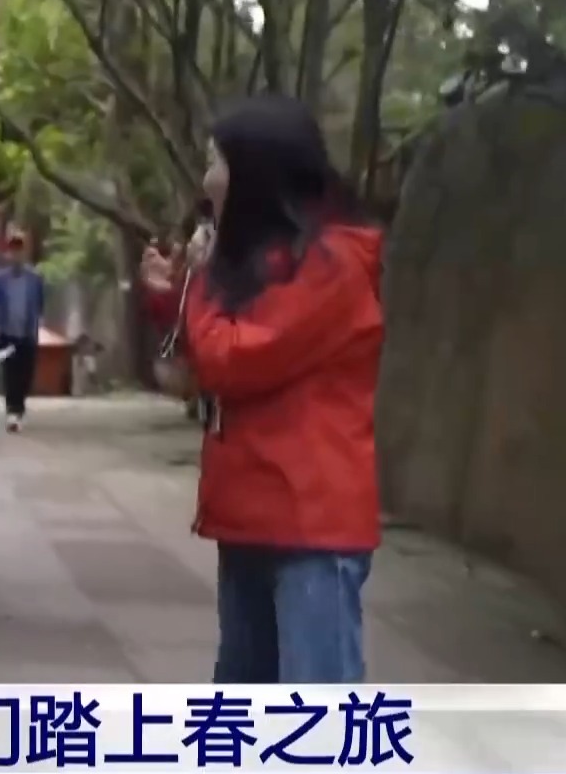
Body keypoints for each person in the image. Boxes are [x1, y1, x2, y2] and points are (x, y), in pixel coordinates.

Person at [138, 95, 384, 684]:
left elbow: (232, 358)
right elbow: (213, 345)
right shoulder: (267, 258)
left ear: (255, 172)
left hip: (309, 518)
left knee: (313, 703)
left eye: (215, 163)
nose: (206, 180)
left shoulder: (332, 264)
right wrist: (172, 296)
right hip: (251, 507)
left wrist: (200, 282)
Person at [0, 233, 45, 432]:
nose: (16, 254)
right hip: (6, 332)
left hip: (27, 333)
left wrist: (37, 324)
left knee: (26, 374)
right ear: (8, 253)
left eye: (19, 250)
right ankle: (12, 411)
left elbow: (40, 304)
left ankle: (20, 407)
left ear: (24, 253)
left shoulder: (34, 278)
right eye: (13, 250)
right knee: (10, 373)